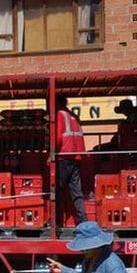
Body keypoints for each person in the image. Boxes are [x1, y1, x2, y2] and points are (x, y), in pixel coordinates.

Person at [56, 95, 87, 223]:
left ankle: (56, 221)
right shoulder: (73, 115)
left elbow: (57, 137)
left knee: (57, 189)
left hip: (64, 156)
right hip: (76, 156)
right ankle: (83, 220)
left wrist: (52, 153)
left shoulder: (60, 114)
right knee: (76, 190)